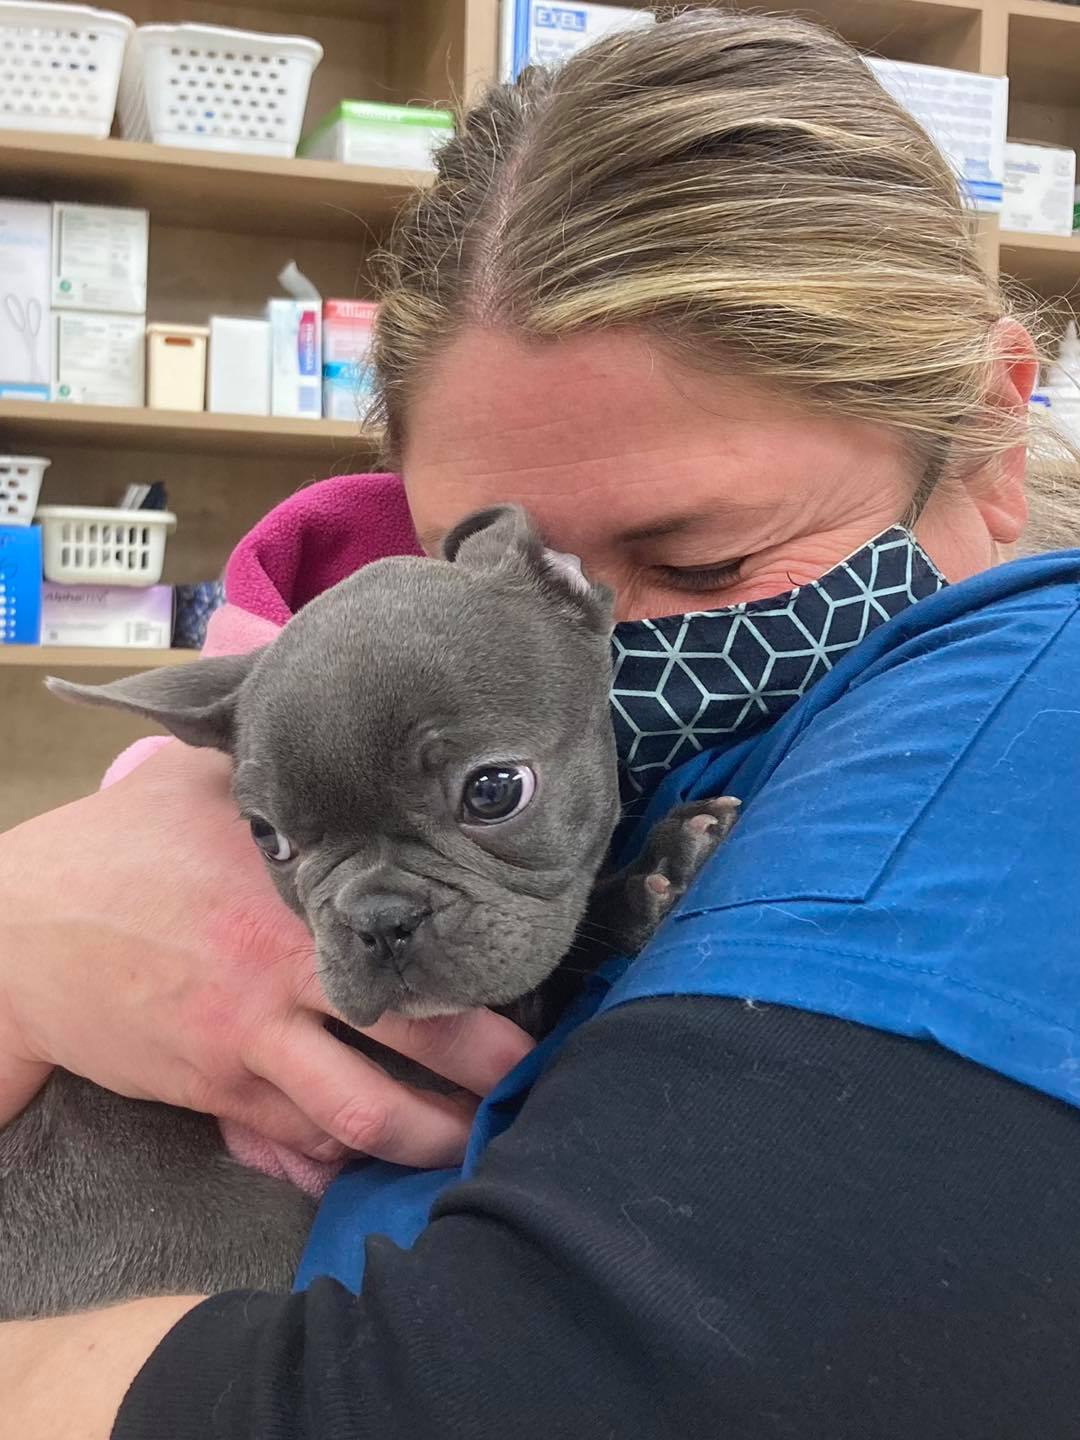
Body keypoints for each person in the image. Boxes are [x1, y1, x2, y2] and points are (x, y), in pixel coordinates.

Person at [3, 10, 1080, 1437]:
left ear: (994, 439)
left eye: (700, 565)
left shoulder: (1008, 730)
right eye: (497, 561)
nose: (574, 648)